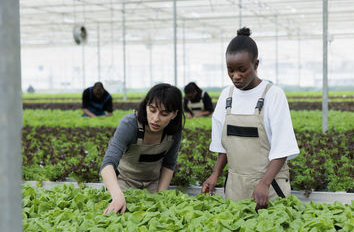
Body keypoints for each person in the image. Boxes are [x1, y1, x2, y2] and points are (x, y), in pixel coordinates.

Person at [201, 27, 299, 211]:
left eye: (242, 70)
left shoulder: (273, 95)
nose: (235, 76)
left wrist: (264, 183)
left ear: (256, 64)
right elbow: (224, 146)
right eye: (230, 70)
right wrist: (215, 175)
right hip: (235, 187)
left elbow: (282, 147)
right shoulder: (226, 96)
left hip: (269, 188)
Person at [100, 83, 184, 214]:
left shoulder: (174, 131)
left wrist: (161, 197)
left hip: (153, 185)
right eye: (152, 110)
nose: (156, 119)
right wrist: (117, 196)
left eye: (164, 114)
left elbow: (169, 165)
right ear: (146, 106)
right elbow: (108, 163)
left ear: (174, 114)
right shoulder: (130, 124)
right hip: (124, 184)